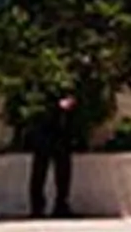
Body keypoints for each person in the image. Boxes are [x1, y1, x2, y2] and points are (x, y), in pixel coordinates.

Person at [14, 87, 89, 220]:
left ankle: (61, 205)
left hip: (60, 133)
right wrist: (57, 106)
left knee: (63, 170)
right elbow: (37, 104)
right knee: (40, 170)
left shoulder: (66, 83)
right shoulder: (40, 85)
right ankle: (37, 207)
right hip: (43, 133)